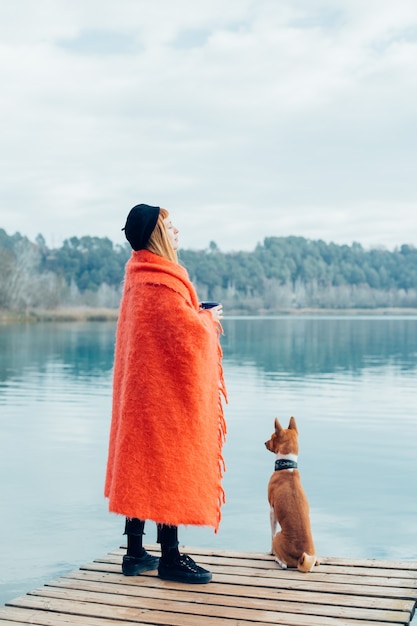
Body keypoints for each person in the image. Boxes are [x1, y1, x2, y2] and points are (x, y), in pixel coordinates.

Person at [104, 203, 227, 584]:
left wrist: (195, 315)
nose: (177, 233)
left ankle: (135, 552)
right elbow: (185, 335)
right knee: (165, 464)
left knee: (140, 463)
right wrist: (208, 319)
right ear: (157, 234)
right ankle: (170, 558)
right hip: (161, 399)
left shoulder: (137, 276)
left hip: (139, 394)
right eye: (170, 227)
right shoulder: (160, 279)